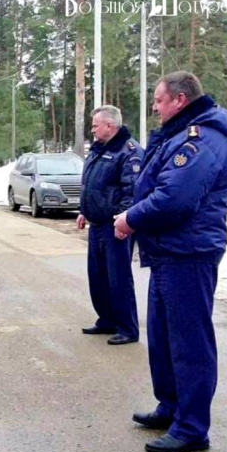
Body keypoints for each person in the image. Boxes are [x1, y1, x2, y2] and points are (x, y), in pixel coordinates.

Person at [114, 71, 227, 452]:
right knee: (164, 339)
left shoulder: (201, 141)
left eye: (158, 99)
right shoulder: (178, 135)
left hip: (189, 254)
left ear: (180, 100)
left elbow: (174, 198)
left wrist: (131, 218)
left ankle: (192, 428)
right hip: (169, 252)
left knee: (189, 344)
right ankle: (171, 407)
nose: (154, 106)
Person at [78, 105, 143, 345]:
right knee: (98, 277)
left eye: (95, 125)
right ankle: (107, 320)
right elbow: (91, 185)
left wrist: (123, 220)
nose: (92, 129)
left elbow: (133, 191)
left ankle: (127, 327)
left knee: (119, 278)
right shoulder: (98, 149)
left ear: (109, 125)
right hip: (96, 224)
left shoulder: (129, 151)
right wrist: (84, 211)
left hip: (115, 226)